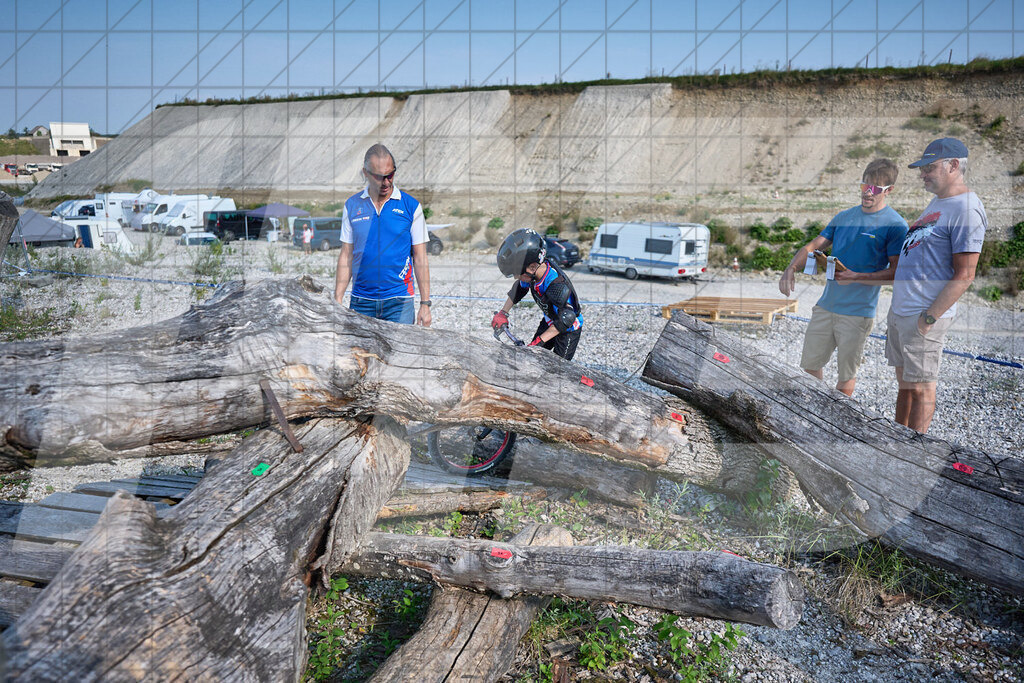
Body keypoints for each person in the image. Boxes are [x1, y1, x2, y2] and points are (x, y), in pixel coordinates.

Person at [779, 158, 908, 396]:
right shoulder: (843, 217)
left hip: (858, 314)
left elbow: (897, 273)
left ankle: (837, 425)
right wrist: (791, 268)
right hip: (826, 307)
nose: (868, 193)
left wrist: (857, 276)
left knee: (846, 376)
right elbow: (813, 245)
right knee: (809, 366)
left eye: (875, 189)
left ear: (889, 190)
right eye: (864, 186)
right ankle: (814, 414)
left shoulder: (896, 225)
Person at [887, 138, 986, 433]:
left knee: (922, 389)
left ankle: (916, 458)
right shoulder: (940, 201)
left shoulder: (967, 209)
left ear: (954, 165)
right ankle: (896, 443)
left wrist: (928, 319)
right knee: (906, 386)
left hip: (923, 314)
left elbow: (965, 274)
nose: (923, 174)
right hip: (904, 311)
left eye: (929, 167)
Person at [334, 143, 431, 326]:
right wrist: (337, 300)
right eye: (379, 177)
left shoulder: (411, 207)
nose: (386, 182)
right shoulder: (352, 205)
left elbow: (420, 257)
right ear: (365, 173)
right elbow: (346, 255)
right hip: (361, 302)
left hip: (399, 302)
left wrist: (425, 304)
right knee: (360, 355)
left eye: (390, 175)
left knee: (399, 355)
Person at [491, 228, 582, 360]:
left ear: (532, 267)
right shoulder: (532, 274)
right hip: (550, 319)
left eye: (517, 273)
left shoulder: (556, 284)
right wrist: (503, 313)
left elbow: (567, 318)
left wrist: (538, 342)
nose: (516, 277)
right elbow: (519, 290)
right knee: (532, 358)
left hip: (568, 328)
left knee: (558, 368)